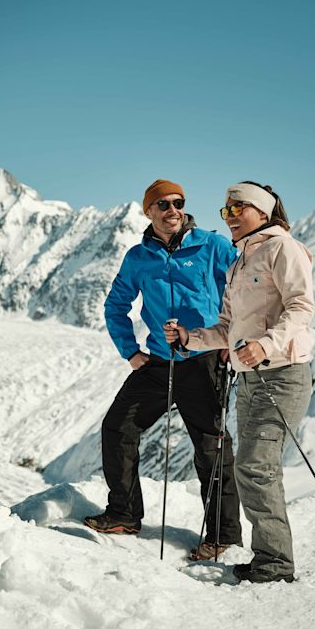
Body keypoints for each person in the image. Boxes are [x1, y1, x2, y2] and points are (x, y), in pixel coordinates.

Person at [84, 179, 243, 560]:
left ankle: (223, 537)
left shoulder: (212, 245)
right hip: (157, 361)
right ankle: (124, 515)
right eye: (163, 205)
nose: (172, 210)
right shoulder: (139, 258)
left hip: (203, 359)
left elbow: (243, 293)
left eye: (178, 203)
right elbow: (114, 306)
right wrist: (131, 352)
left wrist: (230, 342)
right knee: (118, 427)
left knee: (211, 447)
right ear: (148, 211)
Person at [164, 181, 314, 583]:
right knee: (251, 469)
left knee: (256, 467)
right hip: (249, 380)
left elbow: (301, 306)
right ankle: (269, 557)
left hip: (282, 375)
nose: (228, 218)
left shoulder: (284, 248)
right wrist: (190, 339)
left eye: (237, 209)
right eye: (225, 211)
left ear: (262, 213)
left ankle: (276, 565)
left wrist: (266, 344)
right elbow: (227, 327)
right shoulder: (239, 262)